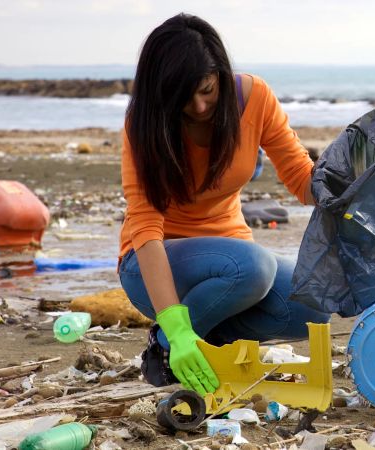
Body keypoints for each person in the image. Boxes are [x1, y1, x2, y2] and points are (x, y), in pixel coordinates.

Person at [117, 13, 330, 395]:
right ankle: (166, 348)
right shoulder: (144, 124)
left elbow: (302, 180)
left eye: (207, 90)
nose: (199, 107)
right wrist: (176, 330)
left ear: (219, 74)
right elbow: (145, 227)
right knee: (253, 267)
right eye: (184, 97)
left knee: (313, 307)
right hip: (154, 264)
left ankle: (206, 343)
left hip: (232, 261)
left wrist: (347, 179)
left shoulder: (253, 98)